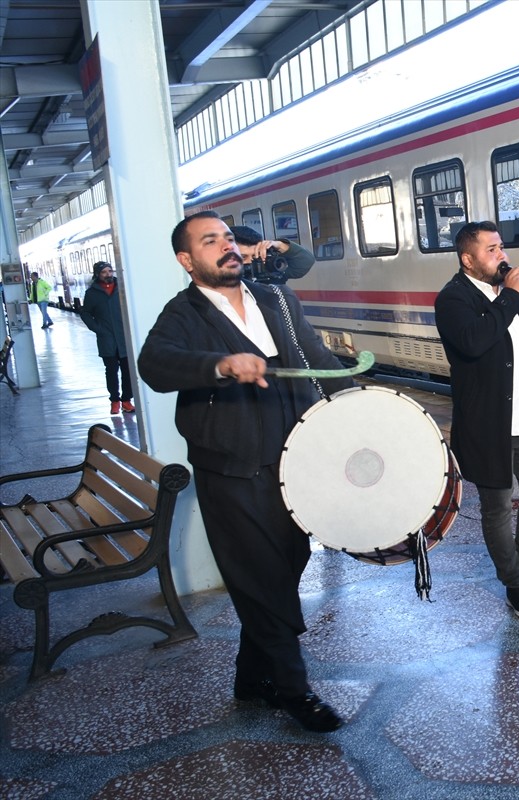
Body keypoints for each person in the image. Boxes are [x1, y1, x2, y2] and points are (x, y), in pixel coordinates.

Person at [138, 210, 354, 732]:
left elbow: (316, 358)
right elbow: (154, 365)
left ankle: (248, 676)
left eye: (229, 238)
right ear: (187, 260)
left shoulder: (276, 298)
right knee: (260, 576)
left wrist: (354, 407)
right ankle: (293, 690)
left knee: (290, 560)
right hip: (232, 467)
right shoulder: (184, 313)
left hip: (297, 457)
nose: (226, 246)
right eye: (210, 241)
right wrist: (219, 365)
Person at [433, 220, 519, 619]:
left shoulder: (511, 291)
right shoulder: (452, 299)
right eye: (491, 249)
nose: (502, 255)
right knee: (497, 509)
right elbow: (475, 341)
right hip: (490, 426)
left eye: (501, 247)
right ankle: (514, 583)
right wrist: (509, 295)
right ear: (468, 259)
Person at [79, 261, 135, 414]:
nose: (108, 274)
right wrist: (97, 329)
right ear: (97, 274)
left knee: (128, 371)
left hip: (124, 338)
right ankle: (114, 401)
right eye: (104, 272)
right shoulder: (92, 293)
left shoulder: (121, 289)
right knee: (111, 371)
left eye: (110, 271)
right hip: (107, 339)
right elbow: (85, 313)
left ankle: (126, 400)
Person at [230, 226, 315, 283]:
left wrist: (280, 245)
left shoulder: (268, 272)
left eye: (255, 256)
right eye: (243, 257)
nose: (250, 262)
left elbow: (306, 261)